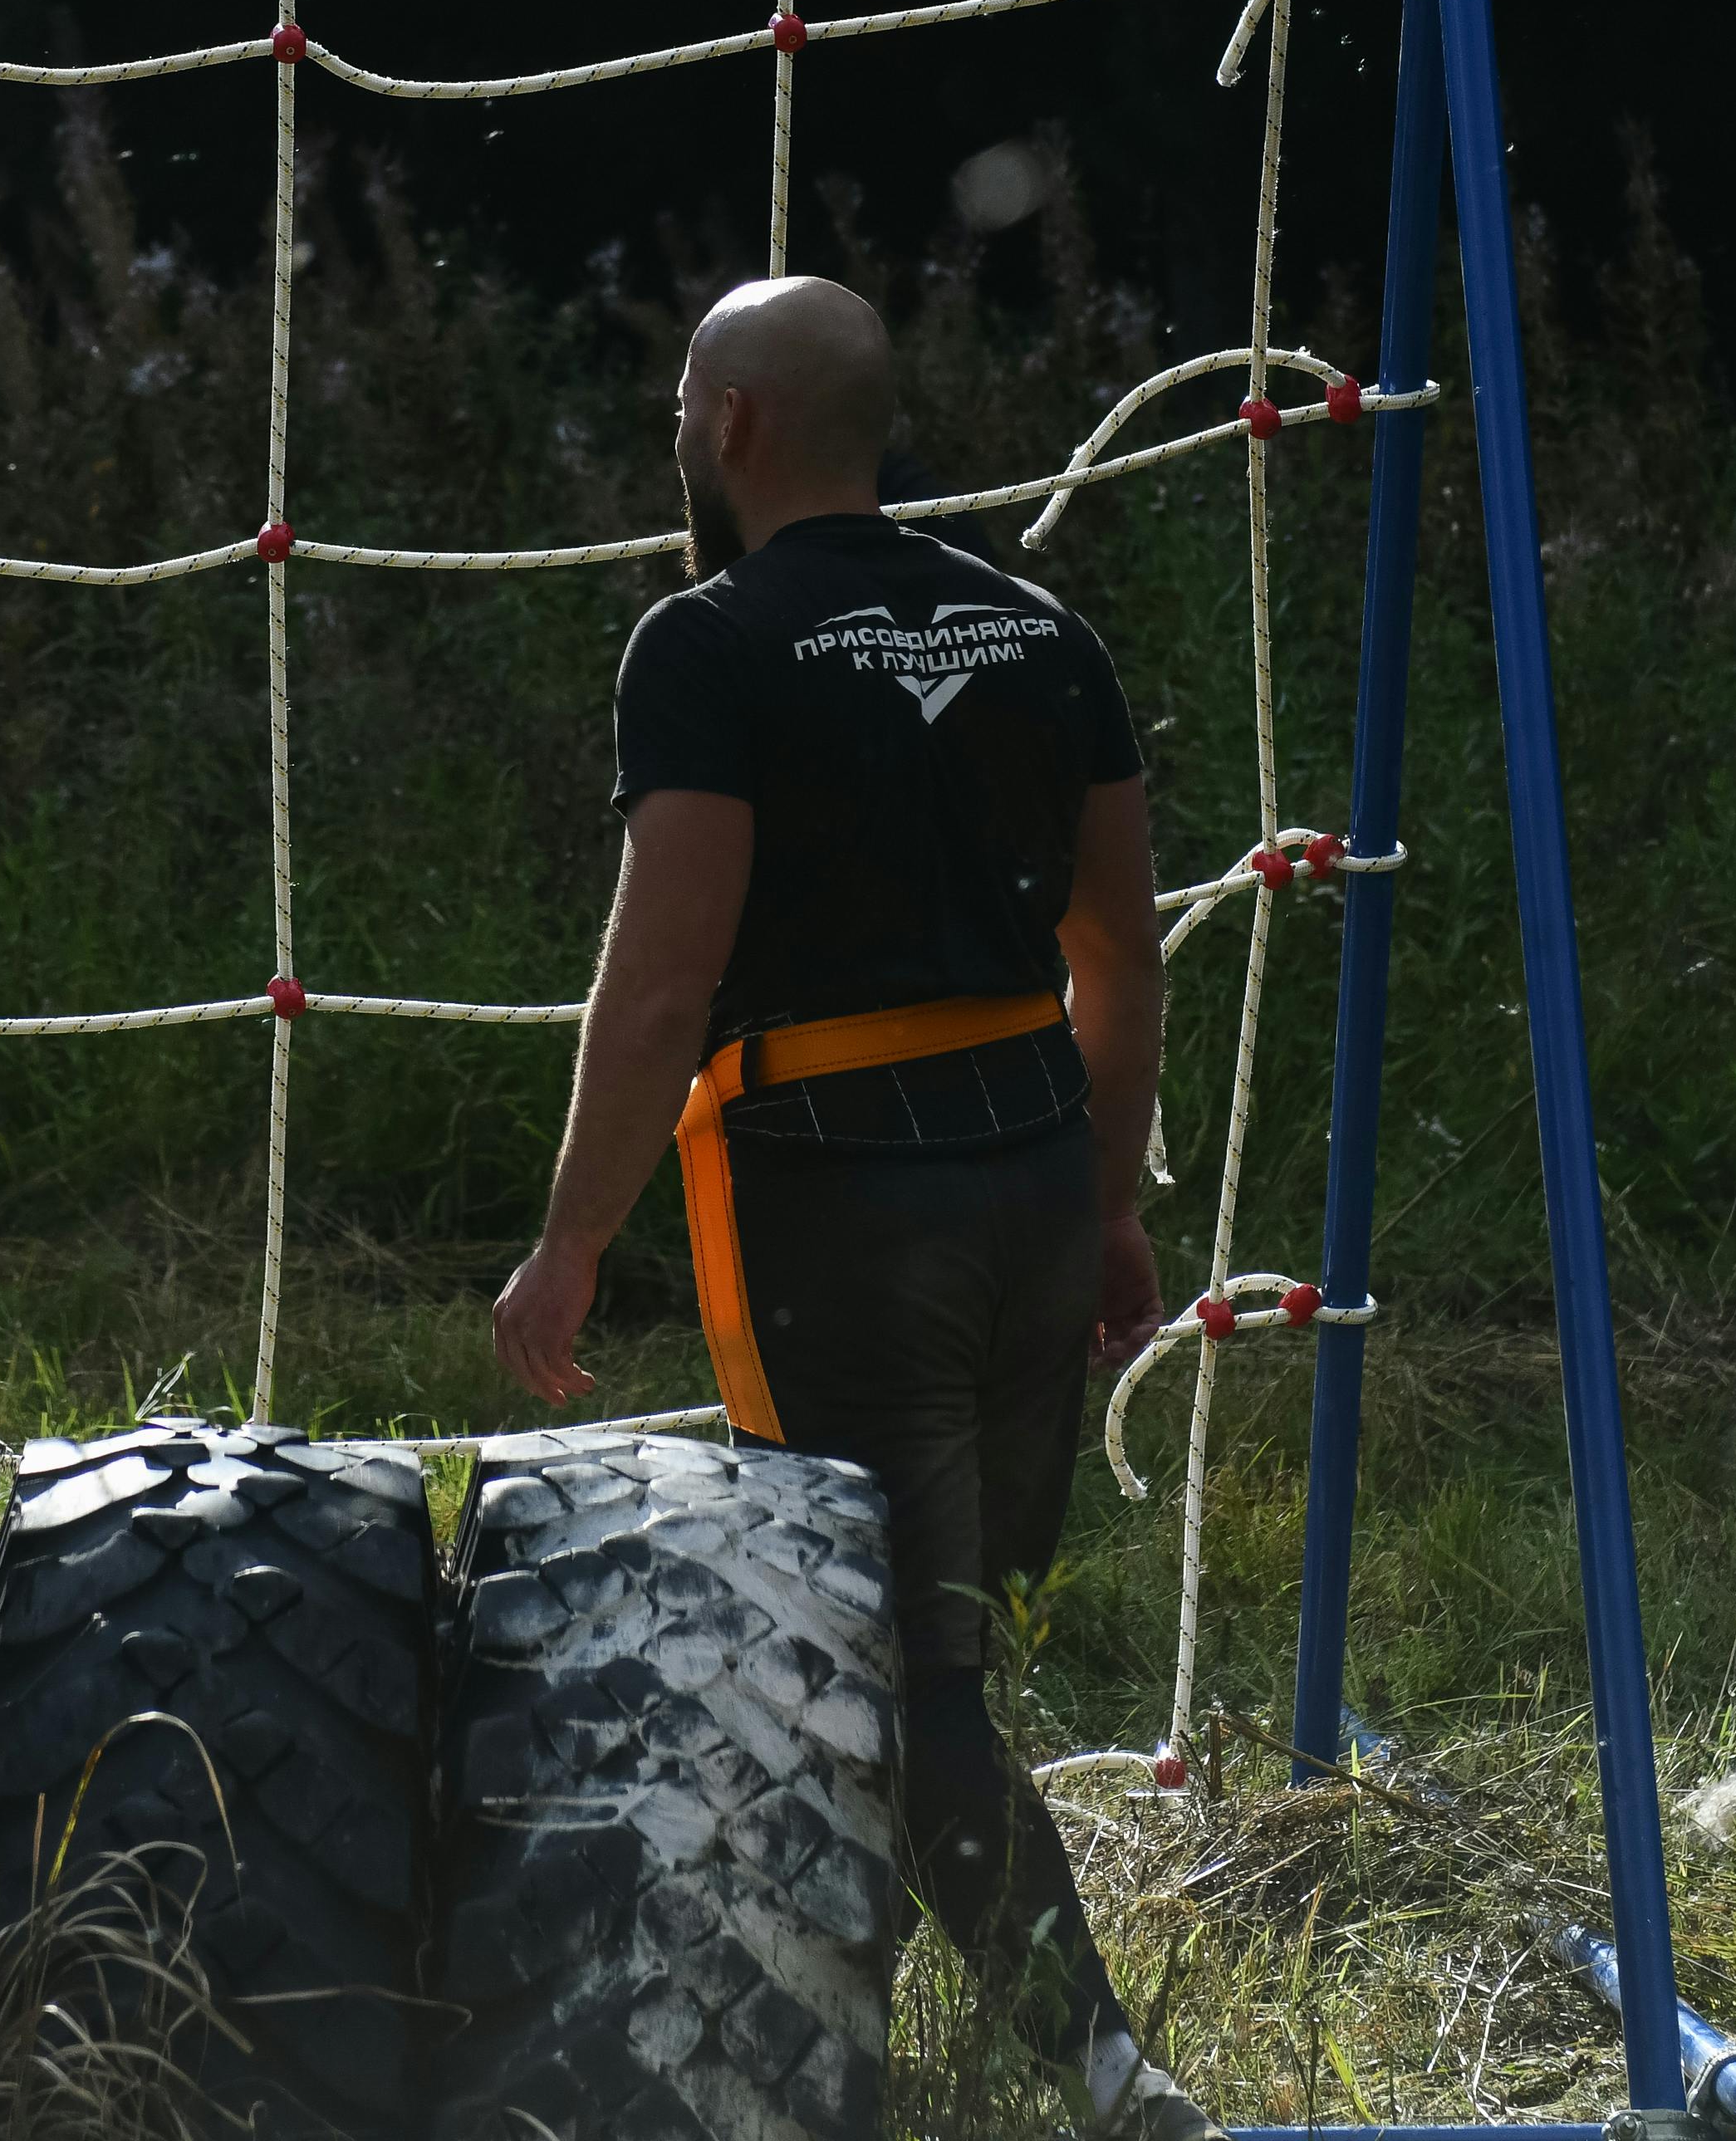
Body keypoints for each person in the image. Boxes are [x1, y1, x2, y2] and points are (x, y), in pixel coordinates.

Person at [492, 274, 1204, 2139]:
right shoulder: (1046, 632)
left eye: (677, 401)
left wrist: (572, 1239)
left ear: (731, 425)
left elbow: (663, 986)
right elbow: (1121, 957)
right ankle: (840, 2020)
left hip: (846, 1195)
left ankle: (1105, 2072)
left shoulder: (706, 645)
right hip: (1043, 1169)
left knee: (900, 1672)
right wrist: (1118, 1206)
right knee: (949, 1645)